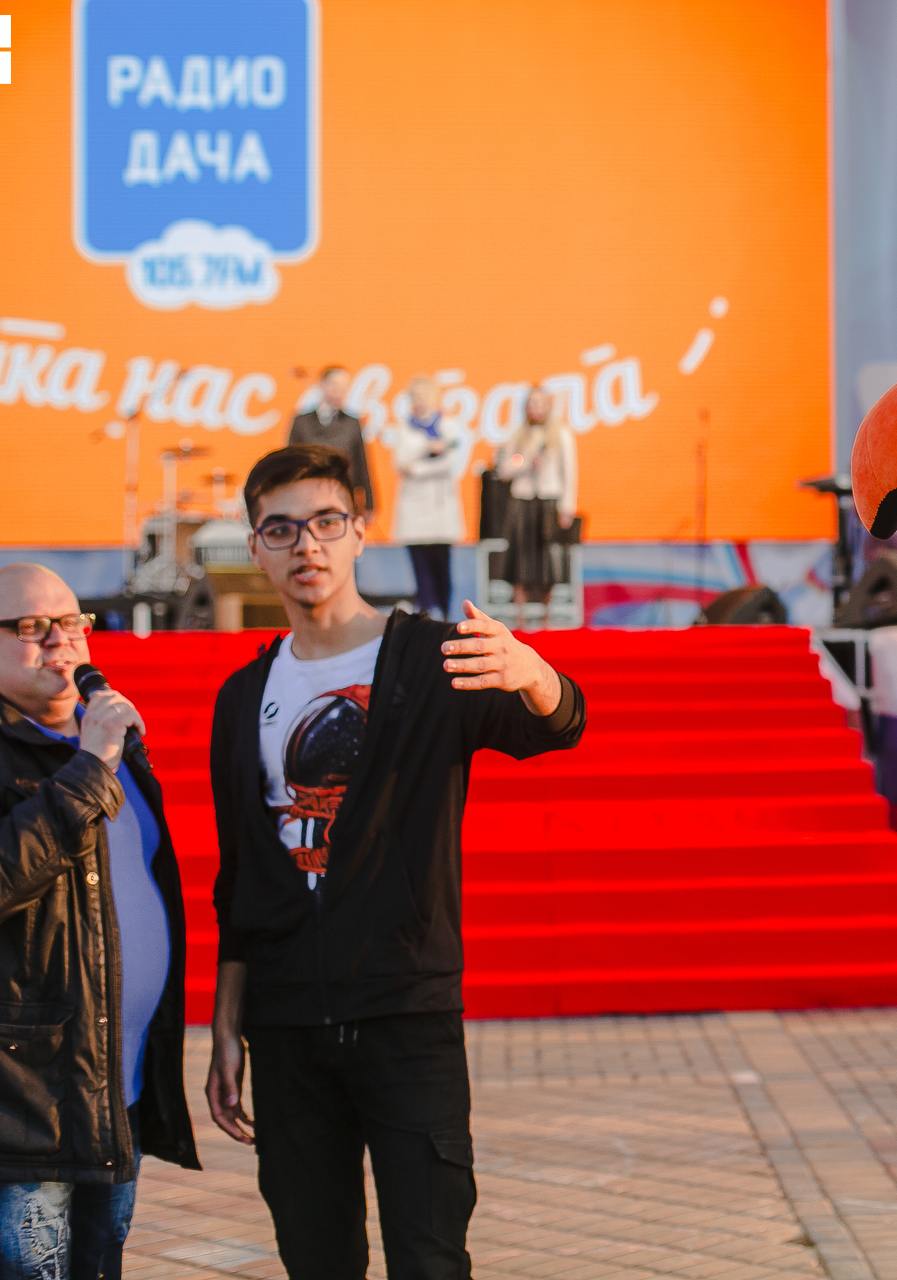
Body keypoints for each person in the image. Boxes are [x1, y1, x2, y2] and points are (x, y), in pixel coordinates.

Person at [205, 444, 585, 1279]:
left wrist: (535, 674)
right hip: (286, 1022)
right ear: (257, 546)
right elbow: (239, 879)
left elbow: (555, 727)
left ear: (360, 531)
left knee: (430, 1256)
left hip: (406, 1010)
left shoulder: (430, 656)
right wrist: (227, 1025)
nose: (307, 544)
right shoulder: (241, 696)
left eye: (326, 521)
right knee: (315, 1257)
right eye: (281, 529)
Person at [0, 564, 199, 1279]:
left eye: (72, 623)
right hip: (13, 1102)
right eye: (32, 628)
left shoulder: (104, 743)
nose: (60, 641)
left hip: (108, 1086)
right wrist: (90, 767)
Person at [494, 385, 579, 616]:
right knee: (519, 560)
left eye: (541, 403)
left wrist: (567, 507)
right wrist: (525, 462)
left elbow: (569, 472)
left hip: (548, 501)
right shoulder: (518, 435)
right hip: (523, 500)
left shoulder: (561, 434)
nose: (536, 408)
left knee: (546, 562)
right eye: (532, 403)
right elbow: (505, 468)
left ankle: (546, 617)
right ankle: (520, 617)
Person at [392, 376, 464, 620]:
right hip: (414, 507)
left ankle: (444, 614)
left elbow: (449, 463)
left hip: (440, 506)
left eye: (424, 396)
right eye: (416, 397)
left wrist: (416, 468)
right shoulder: (404, 428)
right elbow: (400, 462)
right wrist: (427, 448)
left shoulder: (449, 426)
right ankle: (426, 615)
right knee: (420, 567)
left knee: (442, 566)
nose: (420, 401)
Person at [288, 365, 375, 517]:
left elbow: (361, 463)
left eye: (343, 387)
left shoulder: (352, 423)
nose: (338, 391)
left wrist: (369, 503)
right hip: (310, 494)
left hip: (342, 493)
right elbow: (291, 462)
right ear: (322, 384)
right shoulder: (302, 422)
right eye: (334, 384)